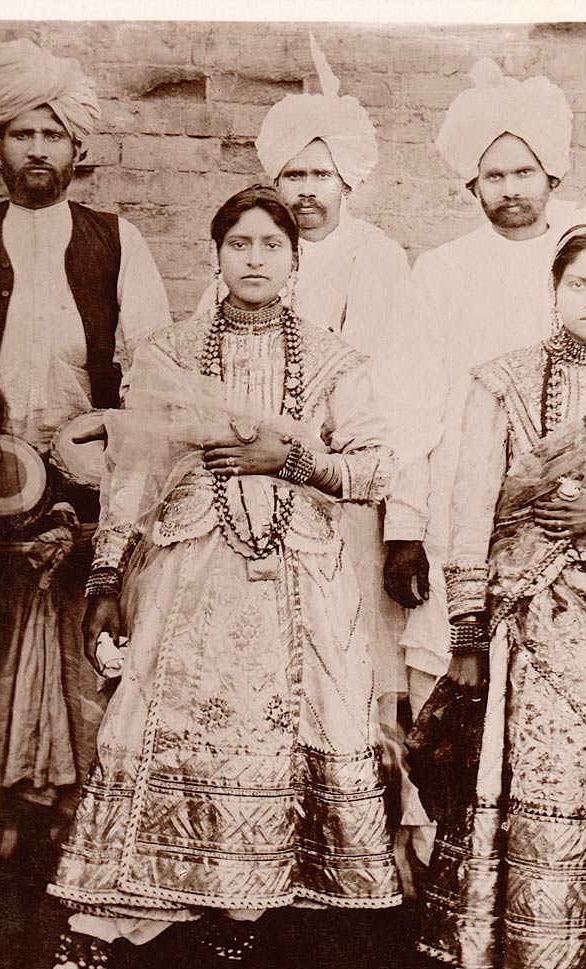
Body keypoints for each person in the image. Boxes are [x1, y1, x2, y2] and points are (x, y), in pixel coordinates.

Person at [0, 186, 402, 969]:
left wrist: (286, 461)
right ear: (215, 256)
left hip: (295, 588)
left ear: (294, 259)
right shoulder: (168, 355)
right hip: (186, 576)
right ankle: (88, 949)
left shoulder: (334, 362)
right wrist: (105, 579)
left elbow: (373, 471)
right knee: (149, 742)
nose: (254, 258)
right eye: (238, 243)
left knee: (270, 755)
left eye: (271, 245)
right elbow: (134, 475)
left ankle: (232, 943)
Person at [413, 209, 586, 969]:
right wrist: (465, 630)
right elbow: (468, 505)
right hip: (532, 617)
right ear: (552, 292)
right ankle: (521, 961)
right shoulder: (503, 382)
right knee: (540, 778)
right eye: (576, 283)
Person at [198, 34, 413, 887]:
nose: (307, 192)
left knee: (339, 680)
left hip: (340, 506)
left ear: (347, 181)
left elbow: (386, 406)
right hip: (239, 514)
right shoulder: (243, 263)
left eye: (320, 176)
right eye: (293, 176)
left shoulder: (379, 261)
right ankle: (242, 866)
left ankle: (345, 872)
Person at [376, 58, 586, 873]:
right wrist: (405, 528)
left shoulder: (585, 263)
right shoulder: (441, 272)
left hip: (557, 523)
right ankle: (438, 876)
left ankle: (536, 875)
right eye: (492, 174)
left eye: (523, 171)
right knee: (445, 680)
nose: (509, 188)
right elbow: (408, 402)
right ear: (472, 185)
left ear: (551, 173)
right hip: (456, 510)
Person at [0, 39, 171, 858]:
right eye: (23, 133)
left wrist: (104, 435)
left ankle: (80, 834)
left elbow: (157, 368)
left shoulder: (115, 240)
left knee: (87, 659)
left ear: (78, 148)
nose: (39, 150)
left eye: (54, 134)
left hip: (86, 494)